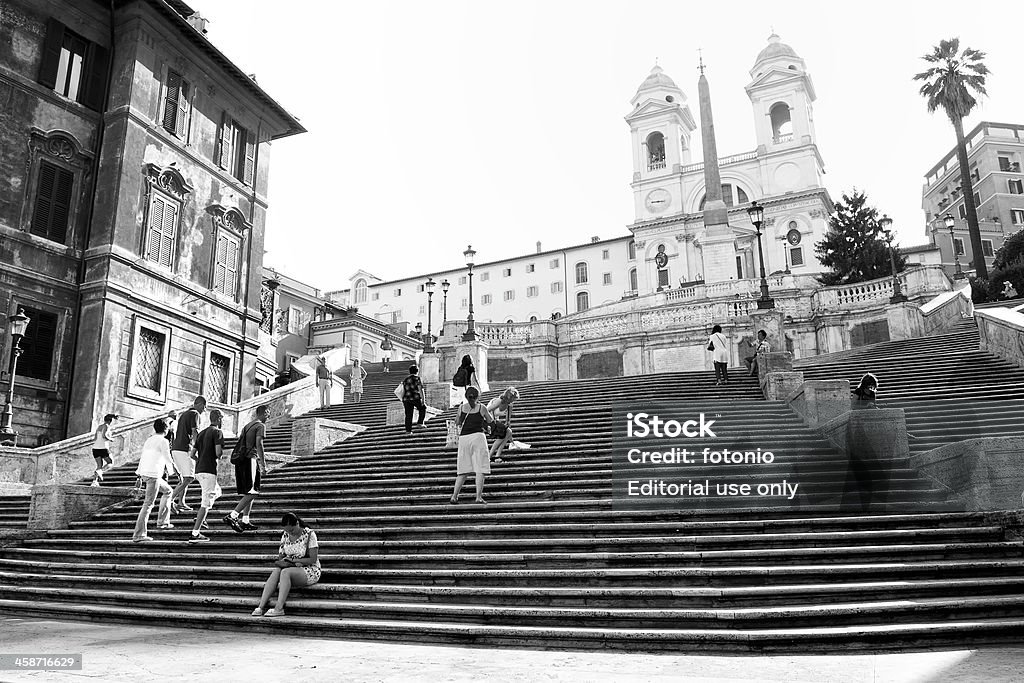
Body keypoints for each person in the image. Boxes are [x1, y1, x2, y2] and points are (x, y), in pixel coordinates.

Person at [251, 512, 321, 618]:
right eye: (287, 531)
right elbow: (281, 556)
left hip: (310, 569)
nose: (290, 533)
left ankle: (279, 608)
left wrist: (295, 561)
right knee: (277, 571)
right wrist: (286, 561)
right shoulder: (285, 534)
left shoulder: (309, 534)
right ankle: (261, 606)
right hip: (291, 566)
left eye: (292, 530)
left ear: (297, 523)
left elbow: (313, 559)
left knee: (285, 572)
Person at [222, 405, 269, 533]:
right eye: (268, 413)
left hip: (241, 461)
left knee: (249, 491)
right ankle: (233, 515)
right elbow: (259, 444)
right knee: (253, 491)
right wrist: (263, 464)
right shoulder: (260, 426)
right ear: (263, 413)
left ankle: (245, 520)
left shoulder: (247, 426)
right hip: (250, 459)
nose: (268, 416)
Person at [132, 418, 175, 542]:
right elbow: (168, 458)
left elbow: (143, 457)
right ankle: (139, 534)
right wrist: (175, 472)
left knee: (168, 491)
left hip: (147, 473)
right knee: (148, 504)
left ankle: (163, 522)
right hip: (153, 474)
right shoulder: (163, 441)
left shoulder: (149, 440)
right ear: (166, 429)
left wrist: (139, 475)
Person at [449, 386, 494, 505]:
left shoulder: (461, 407)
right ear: (478, 396)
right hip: (478, 437)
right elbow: (490, 421)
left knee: (463, 469)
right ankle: (478, 497)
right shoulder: (481, 407)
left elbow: (457, 423)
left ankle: (454, 496)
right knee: (480, 468)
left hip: (464, 439)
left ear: (466, 396)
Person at [188, 408, 225, 543]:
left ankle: (201, 517)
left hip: (199, 470)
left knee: (218, 491)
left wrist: (200, 461)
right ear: (219, 419)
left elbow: (192, 454)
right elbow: (217, 453)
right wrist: (219, 455)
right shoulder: (218, 432)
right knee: (206, 503)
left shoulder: (202, 433)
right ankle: (195, 533)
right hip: (209, 471)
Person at [170, 396, 206, 513]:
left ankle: (181, 502)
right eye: (204, 407)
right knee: (189, 477)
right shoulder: (195, 414)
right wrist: (198, 447)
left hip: (176, 449)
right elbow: (195, 432)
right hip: (184, 448)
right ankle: (169, 500)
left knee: (184, 478)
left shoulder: (184, 414)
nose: (204, 410)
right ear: (200, 404)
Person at [486, 387, 519, 463]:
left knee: (508, 432)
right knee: (502, 434)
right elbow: (487, 411)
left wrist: (510, 438)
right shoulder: (499, 401)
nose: (514, 401)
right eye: (513, 398)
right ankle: (489, 456)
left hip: (496, 420)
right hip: (488, 419)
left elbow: (508, 421)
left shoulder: (509, 405)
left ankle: (497, 455)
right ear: (509, 397)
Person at [90, 413, 118, 487]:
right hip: (103, 448)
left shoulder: (99, 426)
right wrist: (111, 439)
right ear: (110, 421)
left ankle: (94, 481)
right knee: (111, 462)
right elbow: (104, 435)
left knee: (99, 465)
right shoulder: (106, 426)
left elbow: (95, 438)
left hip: (95, 448)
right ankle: (100, 472)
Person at [401, 364, 426, 433]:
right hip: (415, 397)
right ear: (417, 371)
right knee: (423, 408)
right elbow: (420, 389)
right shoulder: (417, 378)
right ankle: (420, 423)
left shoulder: (406, 379)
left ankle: (408, 431)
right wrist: (423, 399)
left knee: (408, 415)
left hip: (406, 398)